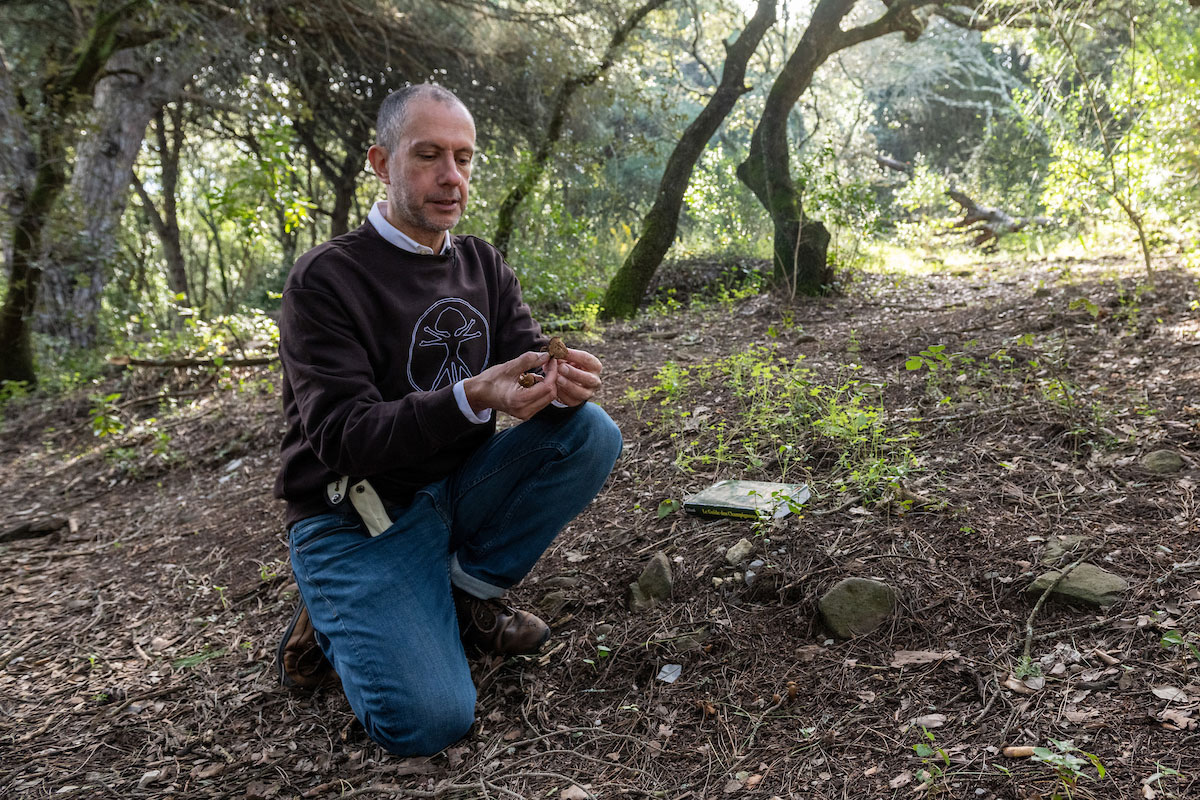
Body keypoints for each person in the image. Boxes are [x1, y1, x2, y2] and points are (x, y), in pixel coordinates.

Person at [272, 83, 622, 756]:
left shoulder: (480, 263)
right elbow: (343, 436)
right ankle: (332, 614)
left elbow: (522, 363)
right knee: (430, 722)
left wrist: (558, 383)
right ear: (382, 163)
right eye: (428, 155)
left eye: (463, 158)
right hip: (355, 519)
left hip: (453, 493)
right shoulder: (326, 279)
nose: (451, 177)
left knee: (589, 433)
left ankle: (457, 596)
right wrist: (472, 396)